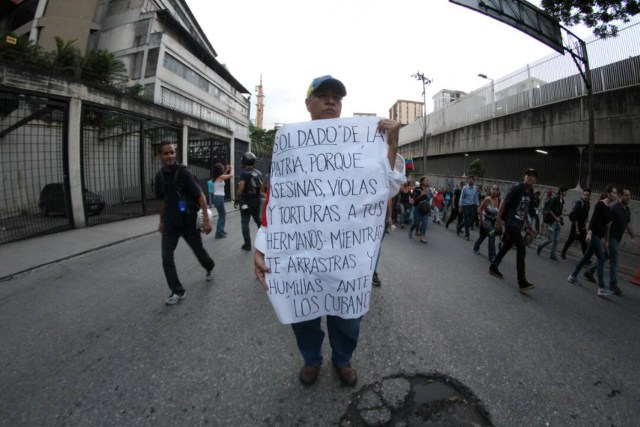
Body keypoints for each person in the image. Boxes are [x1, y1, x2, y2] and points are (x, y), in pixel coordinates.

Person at [253, 75, 405, 387]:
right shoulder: (291, 144)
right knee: (303, 313)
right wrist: (262, 245)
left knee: (347, 316)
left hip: (347, 255)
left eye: (336, 96)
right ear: (308, 103)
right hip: (302, 253)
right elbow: (278, 201)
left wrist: (391, 145)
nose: (331, 101)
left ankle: (342, 359)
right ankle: (311, 358)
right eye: (322, 95)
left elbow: (387, 188)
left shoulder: (363, 144)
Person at [154, 141, 215, 306]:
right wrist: (161, 221)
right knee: (166, 257)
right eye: (166, 153)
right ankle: (177, 291)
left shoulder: (183, 173)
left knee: (199, 251)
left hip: (188, 221)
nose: (170, 156)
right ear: (159, 156)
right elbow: (162, 201)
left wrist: (206, 221)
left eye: (172, 152)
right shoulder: (159, 177)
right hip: (170, 224)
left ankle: (209, 266)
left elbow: (200, 195)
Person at [489, 168, 537, 292]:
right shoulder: (517, 188)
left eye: (533, 176)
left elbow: (525, 209)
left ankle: (494, 266)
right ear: (524, 177)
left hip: (519, 223)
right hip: (511, 222)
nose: (531, 178)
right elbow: (504, 202)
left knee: (506, 245)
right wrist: (499, 220)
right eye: (528, 175)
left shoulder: (530, 192)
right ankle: (522, 281)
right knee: (521, 248)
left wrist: (528, 225)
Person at [582, 187, 635, 295]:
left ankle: (589, 271)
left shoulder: (627, 210)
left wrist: (633, 237)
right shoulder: (614, 208)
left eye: (629, 195)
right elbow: (607, 224)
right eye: (626, 195)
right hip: (611, 237)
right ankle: (613, 284)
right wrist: (605, 239)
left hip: (618, 238)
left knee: (605, 256)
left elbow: (628, 224)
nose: (628, 197)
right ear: (620, 196)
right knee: (614, 259)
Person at [567, 186, 618, 296]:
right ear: (608, 193)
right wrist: (589, 233)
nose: (616, 195)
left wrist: (606, 239)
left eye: (616, 193)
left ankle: (573, 276)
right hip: (594, 235)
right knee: (601, 258)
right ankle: (601, 288)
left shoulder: (609, 207)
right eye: (614, 193)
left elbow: (606, 225)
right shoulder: (600, 204)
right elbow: (593, 219)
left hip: (599, 236)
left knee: (586, 257)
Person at [235, 152, 263, 251]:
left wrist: (237, 198)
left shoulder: (244, 173)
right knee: (258, 221)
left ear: (244, 161)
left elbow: (241, 188)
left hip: (246, 202)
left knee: (245, 223)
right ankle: (265, 241)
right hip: (256, 201)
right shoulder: (259, 173)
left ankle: (247, 244)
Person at [537, 186, 567, 261]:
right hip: (551, 222)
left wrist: (560, 218)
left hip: (557, 222)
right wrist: (555, 218)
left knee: (556, 240)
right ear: (561, 191)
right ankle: (540, 245)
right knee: (550, 239)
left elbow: (559, 211)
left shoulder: (562, 200)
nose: (566, 193)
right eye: (565, 191)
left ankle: (552, 255)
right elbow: (549, 209)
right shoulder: (555, 199)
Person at [560, 189, 591, 259]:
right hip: (576, 226)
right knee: (570, 240)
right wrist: (577, 229)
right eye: (585, 195)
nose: (586, 196)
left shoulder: (588, 204)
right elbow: (575, 217)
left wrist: (586, 220)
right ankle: (562, 253)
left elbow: (586, 214)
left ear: (589, 196)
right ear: (583, 194)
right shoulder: (579, 203)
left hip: (582, 226)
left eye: (587, 195)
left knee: (584, 242)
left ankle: (586, 259)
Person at [473, 184, 500, 262]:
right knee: (492, 234)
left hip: (493, 221)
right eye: (493, 189)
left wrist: (498, 222)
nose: (494, 191)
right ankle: (492, 257)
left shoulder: (499, 200)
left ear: (498, 191)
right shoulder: (487, 199)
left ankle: (476, 247)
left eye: (496, 189)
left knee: (483, 235)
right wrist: (482, 221)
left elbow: (499, 213)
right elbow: (480, 210)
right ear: (490, 190)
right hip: (486, 219)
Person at [210, 163, 233, 239]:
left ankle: (221, 230)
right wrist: (232, 169)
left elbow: (223, 175)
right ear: (219, 170)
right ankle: (219, 233)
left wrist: (226, 170)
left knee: (222, 214)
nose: (223, 169)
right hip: (219, 198)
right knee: (222, 215)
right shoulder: (220, 177)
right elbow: (231, 175)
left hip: (217, 198)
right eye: (222, 168)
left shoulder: (217, 177)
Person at [409, 176, 432, 244]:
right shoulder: (418, 189)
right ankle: (411, 230)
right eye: (425, 180)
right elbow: (414, 199)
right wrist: (421, 195)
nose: (427, 181)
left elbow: (430, 199)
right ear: (422, 182)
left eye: (428, 180)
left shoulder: (429, 190)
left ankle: (422, 236)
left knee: (425, 223)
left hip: (426, 208)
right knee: (416, 223)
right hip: (418, 208)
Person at [456, 176, 478, 241]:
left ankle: (459, 227)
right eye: (469, 179)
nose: (470, 181)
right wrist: (460, 206)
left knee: (471, 220)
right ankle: (467, 235)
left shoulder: (475, 188)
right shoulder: (465, 188)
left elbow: (476, 197)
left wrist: (477, 205)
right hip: (465, 206)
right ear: (467, 181)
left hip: (472, 206)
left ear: (474, 181)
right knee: (467, 219)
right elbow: (461, 197)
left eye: (472, 180)